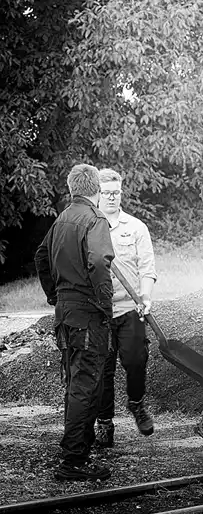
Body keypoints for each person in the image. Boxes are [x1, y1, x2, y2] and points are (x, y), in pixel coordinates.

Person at [35, 164, 114, 482]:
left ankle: (79, 449)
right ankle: (74, 461)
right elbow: (98, 262)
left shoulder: (62, 219)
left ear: (72, 188)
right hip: (87, 313)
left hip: (65, 313)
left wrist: (54, 295)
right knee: (85, 384)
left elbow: (41, 257)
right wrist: (105, 304)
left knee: (76, 382)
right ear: (97, 189)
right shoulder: (95, 219)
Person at [94, 168, 157, 447]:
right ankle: (104, 422)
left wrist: (146, 297)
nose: (111, 197)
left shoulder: (136, 227)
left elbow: (147, 268)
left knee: (136, 360)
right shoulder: (89, 227)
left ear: (121, 193)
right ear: (97, 194)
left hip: (131, 308)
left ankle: (136, 403)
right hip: (99, 312)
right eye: (106, 192)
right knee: (102, 369)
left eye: (116, 192)